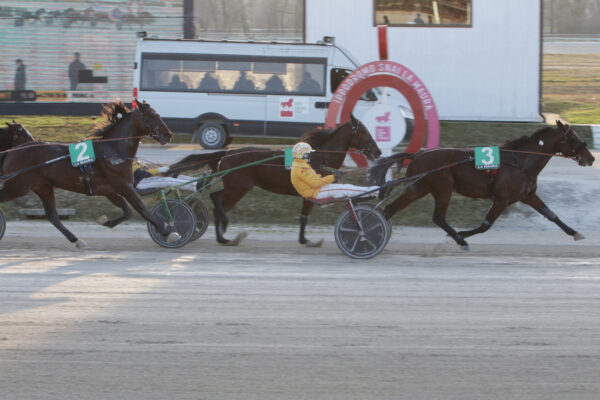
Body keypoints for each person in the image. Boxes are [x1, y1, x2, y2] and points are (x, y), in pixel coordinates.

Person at [290, 142, 379, 200]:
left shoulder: (301, 164)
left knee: (347, 187)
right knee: (345, 189)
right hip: (315, 192)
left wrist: (333, 175)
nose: (310, 156)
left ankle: (371, 191)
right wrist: (333, 177)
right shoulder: (300, 168)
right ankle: (373, 191)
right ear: (303, 155)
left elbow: (316, 178)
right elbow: (315, 183)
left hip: (317, 189)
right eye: (309, 154)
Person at [133, 160, 198, 192]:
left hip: (146, 179)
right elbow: (140, 174)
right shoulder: (128, 160)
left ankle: (198, 180)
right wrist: (159, 170)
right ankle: (195, 185)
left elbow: (146, 170)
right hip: (139, 183)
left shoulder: (135, 158)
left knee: (172, 176)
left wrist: (160, 171)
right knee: (167, 180)